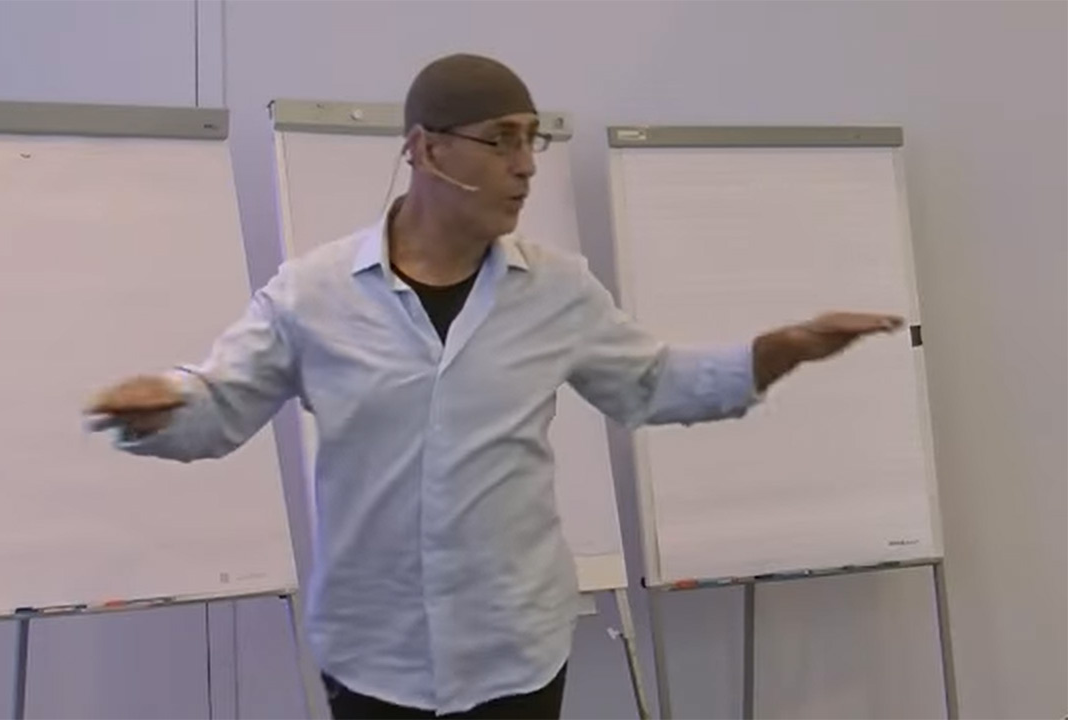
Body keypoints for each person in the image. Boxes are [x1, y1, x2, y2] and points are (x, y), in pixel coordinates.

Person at [86, 53, 903, 719]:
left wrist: (779, 350)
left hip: (515, 649)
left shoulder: (557, 291)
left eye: (532, 141)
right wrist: (159, 409)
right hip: (374, 654)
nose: (525, 166)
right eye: (503, 139)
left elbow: (651, 385)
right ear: (428, 149)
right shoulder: (315, 293)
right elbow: (221, 404)